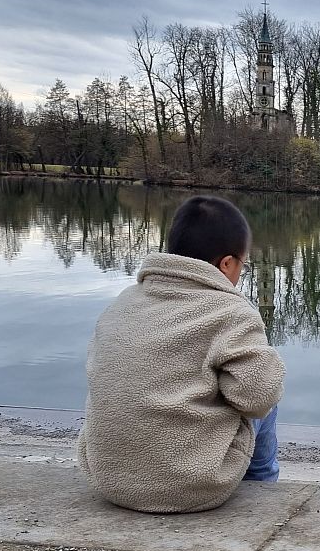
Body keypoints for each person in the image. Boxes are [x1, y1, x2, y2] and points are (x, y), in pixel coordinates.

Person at [77, 194, 284, 513]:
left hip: (109, 480)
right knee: (267, 387)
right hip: (190, 486)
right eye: (243, 263)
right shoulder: (231, 311)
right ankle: (262, 490)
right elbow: (258, 398)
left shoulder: (122, 303)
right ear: (226, 264)